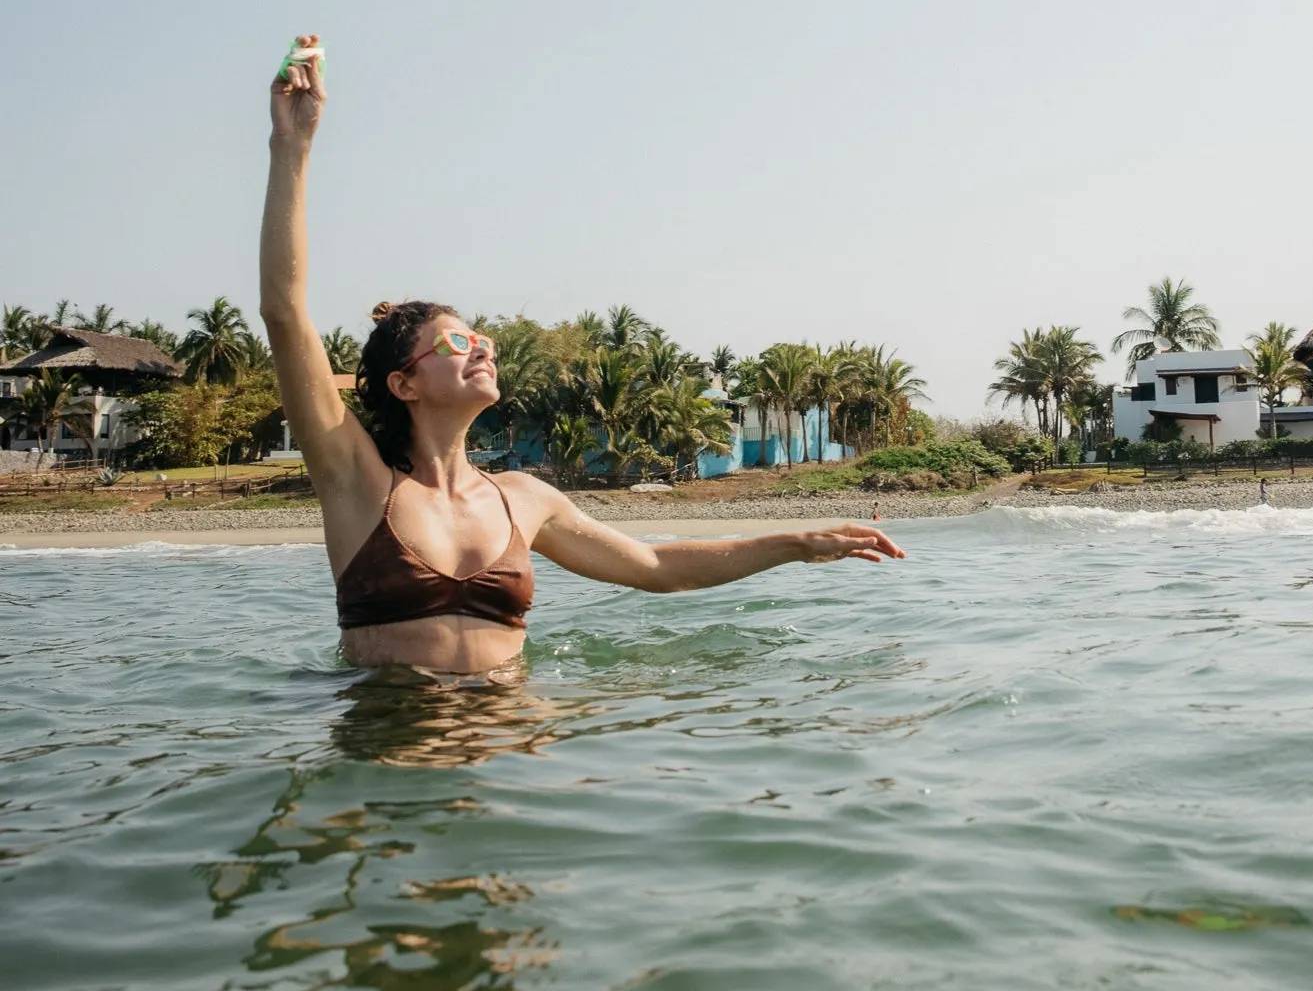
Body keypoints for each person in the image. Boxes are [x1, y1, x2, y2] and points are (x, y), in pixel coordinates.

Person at [260, 35, 903, 674]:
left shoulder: (523, 498)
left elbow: (655, 567)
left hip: (507, 744)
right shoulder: (357, 480)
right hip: (390, 745)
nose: (483, 350)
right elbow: (286, 315)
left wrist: (794, 543)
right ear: (404, 384)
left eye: (485, 341)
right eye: (459, 343)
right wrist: (293, 146)